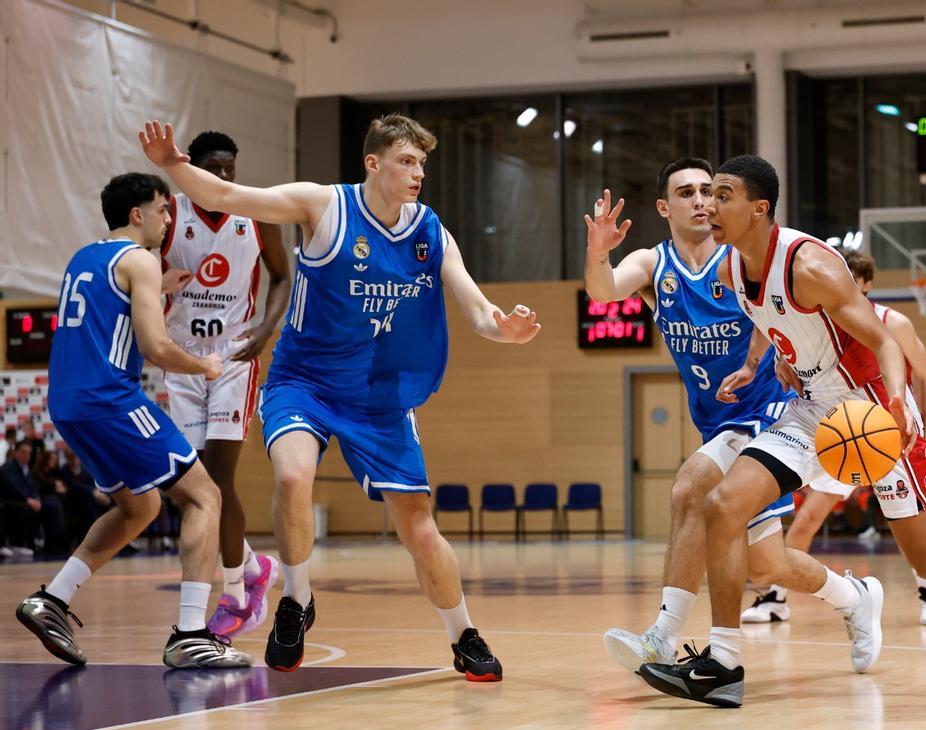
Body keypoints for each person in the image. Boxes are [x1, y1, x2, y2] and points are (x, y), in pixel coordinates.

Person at [637, 155, 926, 708]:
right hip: (812, 410)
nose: (709, 205)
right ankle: (725, 662)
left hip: (873, 413)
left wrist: (900, 401)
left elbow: (884, 341)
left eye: (723, 194)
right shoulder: (734, 268)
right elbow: (768, 320)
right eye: (705, 194)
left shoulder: (809, 265)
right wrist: (770, 360)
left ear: (759, 208)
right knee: (722, 505)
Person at [141, 115, 540, 677]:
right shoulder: (322, 206)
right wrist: (174, 166)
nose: (418, 172)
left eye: (422, 163)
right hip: (304, 382)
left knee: (420, 529)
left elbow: (478, 310)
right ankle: (296, 600)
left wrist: (507, 328)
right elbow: (231, 194)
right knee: (292, 477)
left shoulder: (430, 230)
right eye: (406, 161)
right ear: (373, 163)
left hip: (378, 398)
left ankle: (464, 634)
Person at [15, 172, 251, 669]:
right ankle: (190, 633)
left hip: (69, 405)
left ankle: (52, 600)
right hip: (111, 399)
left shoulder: (84, 258)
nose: (171, 220)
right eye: (164, 210)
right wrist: (205, 364)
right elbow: (156, 346)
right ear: (137, 214)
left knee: (139, 508)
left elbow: (108, 312)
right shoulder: (141, 260)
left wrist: (159, 287)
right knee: (205, 496)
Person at [585, 159, 800, 673]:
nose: (701, 200)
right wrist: (598, 251)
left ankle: (663, 635)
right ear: (665, 207)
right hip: (715, 419)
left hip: (767, 410)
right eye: (686, 192)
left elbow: (779, 313)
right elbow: (601, 291)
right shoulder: (651, 263)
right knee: (770, 564)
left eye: (709, 190)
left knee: (688, 489)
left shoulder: (739, 257)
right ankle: (857, 598)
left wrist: (774, 360)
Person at [742, 250, 926, 627]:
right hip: (840, 434)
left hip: (882, 433)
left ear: (865, 285)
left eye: (850, 280)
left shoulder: (891, 321)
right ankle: (775, 598)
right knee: (806, 520)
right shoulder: (818, 328)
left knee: (910, 528)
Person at [160, 130, 290, 638]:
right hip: (181, 361)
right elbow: (140, 269)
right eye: (214, 167)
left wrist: (265, 329)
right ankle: (255, 567)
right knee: (189, 489)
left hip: (234, 358)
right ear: (194, 167)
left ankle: (236, 594)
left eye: (230, 169)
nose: (223, 178)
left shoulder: (254, 213)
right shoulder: (169, 215)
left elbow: (282, 275)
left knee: (216, 480)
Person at [56, 448, 112, 548]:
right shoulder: (64, 471)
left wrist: (95, 492)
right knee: (89, 505)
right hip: (72, 501)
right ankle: (89, 541)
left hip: (87, 499)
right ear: (67, 458)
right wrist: (92, 492)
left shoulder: (84, 469)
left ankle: (106, 539)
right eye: (71, 457)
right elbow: (73, 487)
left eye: (75, 457)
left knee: (106, 505)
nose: (74, 460)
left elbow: (92, 483)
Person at [0, 440, 40, 556]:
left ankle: (35, 541)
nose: (27, 455)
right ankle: (16, 544)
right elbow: (12, 486)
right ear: (16, 452)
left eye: (29, 453)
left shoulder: (26, 468)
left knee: (49, 505)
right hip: (8, 500)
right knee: (23, 508)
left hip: (20, 500)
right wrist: (28, 500)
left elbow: (32, 487)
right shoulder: (8, 467)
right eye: (23, 452)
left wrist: (36, 499)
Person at [31, 449, 69, 554]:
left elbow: (64, 487)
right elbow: (42, 489)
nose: (54, 462)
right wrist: (55, 486)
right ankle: (54, 541)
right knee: (55, 506)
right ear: (45, 460)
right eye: (52, 459)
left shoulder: (55, 472)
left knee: (60, 504)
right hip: (41, 500)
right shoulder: (37, 473)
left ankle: (60, 540)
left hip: (54, 499)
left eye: (55, 460)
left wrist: (56, 486)